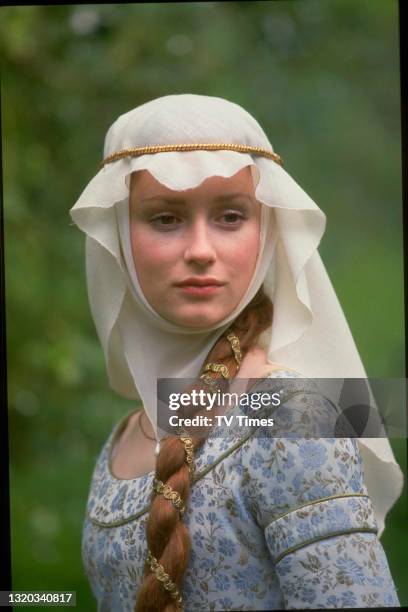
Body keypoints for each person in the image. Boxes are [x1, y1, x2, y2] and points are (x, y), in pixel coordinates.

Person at [70, 94, 403, 611]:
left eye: (230, 216)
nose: (201, 249)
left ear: (265, 232)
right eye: (164, 219)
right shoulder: (125, 438)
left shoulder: (292, 414)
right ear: (118, 236)